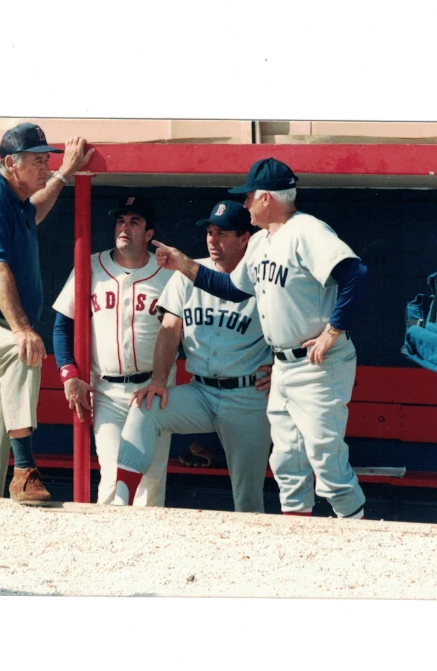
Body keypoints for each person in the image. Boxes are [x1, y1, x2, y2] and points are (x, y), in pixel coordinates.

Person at [152, 158, 368, 520]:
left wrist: (333, 331)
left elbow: (355, 273)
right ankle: (296, 539)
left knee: (326, 462)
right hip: (285, 367)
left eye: (250, 196)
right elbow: (231, 290)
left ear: (266, 198)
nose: (246, 203)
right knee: (287, 462)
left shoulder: (306, 230)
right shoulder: (263, 242)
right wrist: (185, 264)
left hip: (317, 364)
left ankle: (360, 535)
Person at [0, 122, 94, 505]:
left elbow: (37, 209)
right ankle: (25, 469)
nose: (45, 167)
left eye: (47, 160)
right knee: (20, 350)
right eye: (38, 161)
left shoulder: (16, 199)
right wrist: (22, 328)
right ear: (11, 162)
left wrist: (63, 174)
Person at [111, 201, 274, 513]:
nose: (212, 239)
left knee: (248, 496)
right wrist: (158, 379)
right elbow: (170, 329)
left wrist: (281, 366)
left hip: (247, 395)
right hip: (201, 392)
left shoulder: (261, 279)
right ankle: (120, 503)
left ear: (244, 239)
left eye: (222, 233)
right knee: (146, 407)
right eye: (209, 232)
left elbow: (290, 327)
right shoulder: (187, 274)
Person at [51, 196, 175, 506]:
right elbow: (63, 325)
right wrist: (68, 373)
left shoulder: (167, 274)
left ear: (149, 234)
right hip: (106, 390)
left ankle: (149, 550)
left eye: (135, 222)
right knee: (112, 476)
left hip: (153, 389)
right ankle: (108, 547)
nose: (125, 227)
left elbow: (190, 330)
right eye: (120, 220)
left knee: (150, 480)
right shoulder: (91, 266)